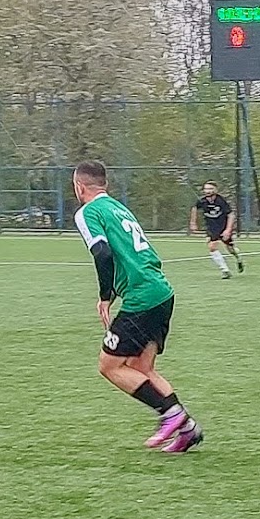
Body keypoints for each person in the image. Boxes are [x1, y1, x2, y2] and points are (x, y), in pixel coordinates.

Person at [74, 160, 202, 453]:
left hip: (142, 296)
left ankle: (171, 414)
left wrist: (105, 296)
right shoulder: (119, 208)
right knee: (140, 367)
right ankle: (188, 430)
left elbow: (103, 254)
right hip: (161, 291)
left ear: (79, 186)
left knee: (109, 365)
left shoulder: (88, 212)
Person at [189, 181, 244, 279]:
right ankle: (225, 270)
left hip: (223, 227)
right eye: (206, 189)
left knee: (230, 249)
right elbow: (194, 208)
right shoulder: (202, 201)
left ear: (215, 190)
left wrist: (228, 230)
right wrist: (193, 223)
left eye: (210, 189)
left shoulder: (221, 201)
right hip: (211, 228)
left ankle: (238, 258)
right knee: (212, 247)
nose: (208, 191)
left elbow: (231, 215)